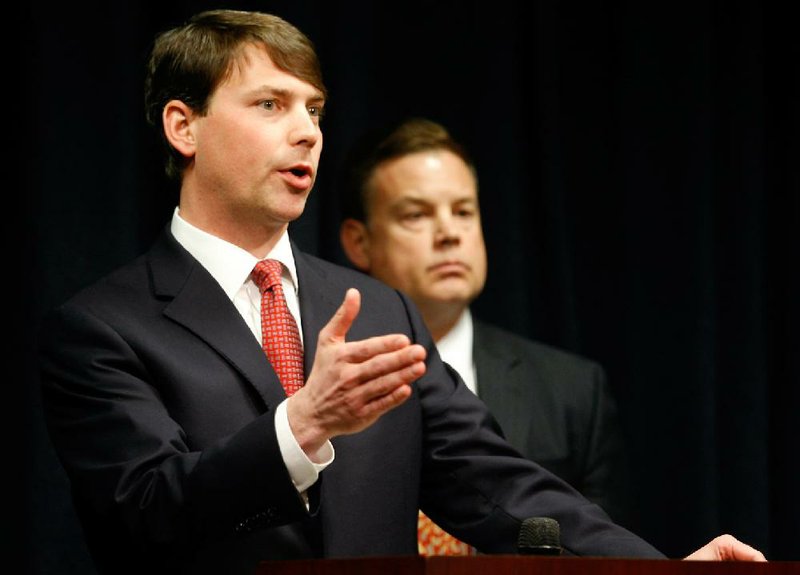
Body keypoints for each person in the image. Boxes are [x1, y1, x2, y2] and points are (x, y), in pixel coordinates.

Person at [37, 9, 766, 575]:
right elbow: (147, 508)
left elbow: (494, 483)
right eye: (271, 105)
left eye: (315, 110)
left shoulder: (378, 309)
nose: (307, 133)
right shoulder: (104, 328)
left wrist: (657, 570)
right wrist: (301, 426)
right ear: (182, 125)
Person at [338, 116, 631, 553]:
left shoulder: (572, 390)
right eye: (417, 215)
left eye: (463, 212)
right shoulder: (323, 377)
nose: (449, 234)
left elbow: (603, 551)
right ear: (359, 242)